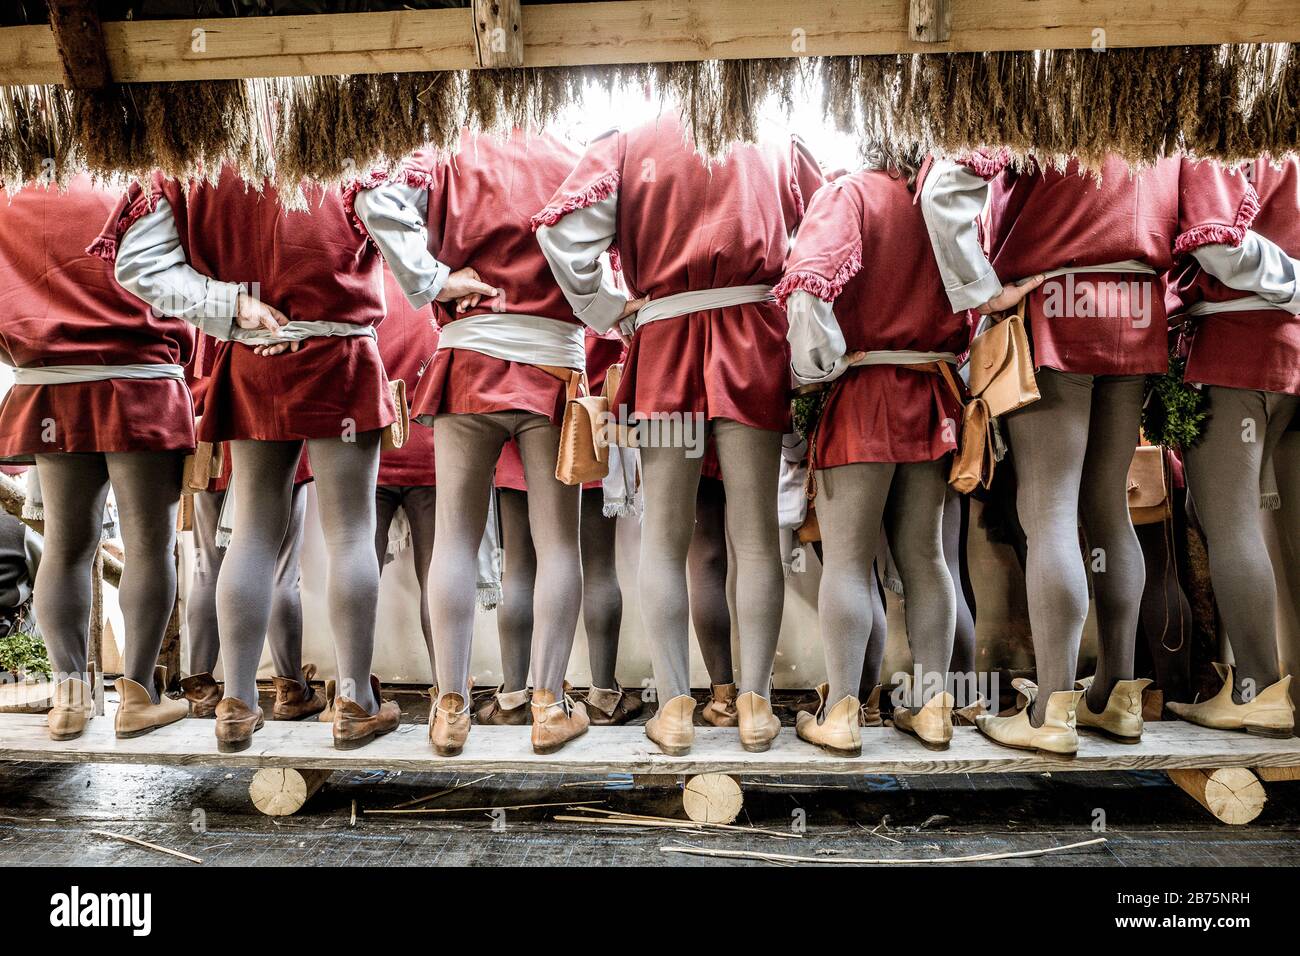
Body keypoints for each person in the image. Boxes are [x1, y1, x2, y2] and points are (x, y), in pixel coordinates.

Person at [921, 150, 1300, 754]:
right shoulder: (1151, 106)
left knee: (1048, 513)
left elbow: (945, 190)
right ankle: (1115, 695)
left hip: (1054, 298)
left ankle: (1050, 711)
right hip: (1138, 306)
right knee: (1108, 508)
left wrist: (981, 289)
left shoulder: (1037, 87)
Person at [535, 113, 824, 755]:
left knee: (664, 542)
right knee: (755, 540)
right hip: (752, 336)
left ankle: (673, 710)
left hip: (665, 341)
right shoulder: (778, 133)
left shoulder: (629, 137)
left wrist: (607, 308)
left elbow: (559, 233)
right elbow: (822, 231)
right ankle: (754, 707)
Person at [105, 165, 400, 752]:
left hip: (253, 356)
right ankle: (354, 703)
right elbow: (409, 237)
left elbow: (135, 264)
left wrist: (232, 305)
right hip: (341, 354)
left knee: (252, 536)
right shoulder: (355, 148)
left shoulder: (196, 160)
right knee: (349, 534)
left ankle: (237, 703)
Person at [350, 127, 591, 756]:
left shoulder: (450, 152)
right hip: (553, 363)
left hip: (469, 358)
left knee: (454, 539)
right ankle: (549, 707)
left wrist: (432, 280)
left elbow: (375, 201)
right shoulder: (579, 155)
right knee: (558, 544)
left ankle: (449, 710)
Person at [777, 148, 966, 755]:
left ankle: (842, 716)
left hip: (863, 391)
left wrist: (817, 368)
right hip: (934, 391)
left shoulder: (850, 193)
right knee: (927, 557)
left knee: (849, 563)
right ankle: (933, 709)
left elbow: (807, 287)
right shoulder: (948, 196)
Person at [1, 175, 192, 740]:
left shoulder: (12, 195)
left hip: (50, 383)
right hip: (143, 379)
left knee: (65, 543)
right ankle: (138, 696)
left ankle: (69, 699)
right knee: (149, 543)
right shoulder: (145, 186)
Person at [1164, 156, 1300, 738]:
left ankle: (1258, 689)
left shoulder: (1219, 151)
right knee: (1233, 517)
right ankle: (1259, 683)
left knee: (1231, 524)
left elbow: (1221, 249)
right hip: (1283, 351)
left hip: (1234, 351)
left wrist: (1293, 280)